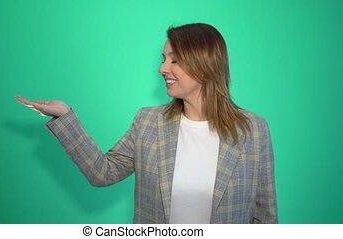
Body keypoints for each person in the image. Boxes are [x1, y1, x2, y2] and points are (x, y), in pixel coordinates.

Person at [16, 23, 277, 224]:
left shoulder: (253, 130)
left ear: (205, 63)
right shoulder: (148, 122)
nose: (163, 68)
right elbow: (102, 173)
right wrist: (65, 117)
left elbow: (264, 216)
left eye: (174, 60)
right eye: (163, 59)